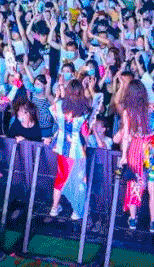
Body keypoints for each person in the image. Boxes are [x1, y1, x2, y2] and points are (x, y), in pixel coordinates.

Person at [118, 79, 154, 232]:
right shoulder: (153, 108)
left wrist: (124, 156)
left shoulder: (128, 112)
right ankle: (153, 222)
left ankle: (132, 219)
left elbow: (126, 136)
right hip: (151, 147)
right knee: (152, 186)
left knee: (134, 184)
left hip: (136, 147)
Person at [49, 78, 91, 220]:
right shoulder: (84, 109)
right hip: (77, 149)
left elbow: (55, 119)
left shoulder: (58, 105)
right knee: (77, 180)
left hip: (61, 146)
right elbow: (85, 132)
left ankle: (54, 208)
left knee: (61, 176)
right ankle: (76, 211)